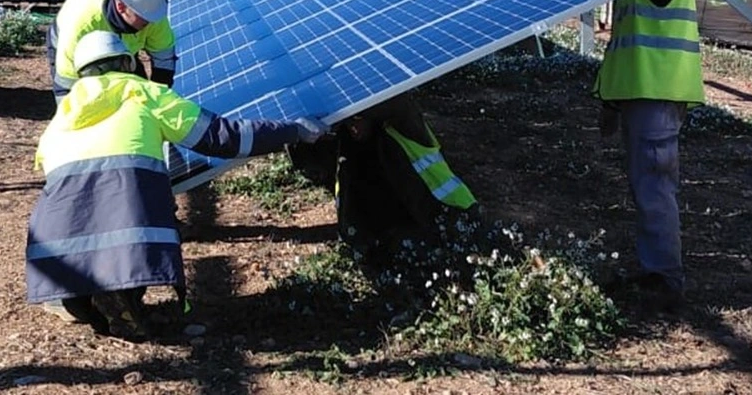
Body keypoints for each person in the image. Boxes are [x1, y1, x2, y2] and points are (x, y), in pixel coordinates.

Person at [26, 31, 328, 340]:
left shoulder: (61, 117)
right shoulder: (144, 93)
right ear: (128, 62)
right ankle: (122, 294)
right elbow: (221, 136)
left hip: (58, 233)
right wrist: (291, 131)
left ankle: (85, 302)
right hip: (125, 214)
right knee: (139, 208)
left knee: (93, 219)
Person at [592, 0, 705, 310]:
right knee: (646, 186)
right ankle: (653, 270)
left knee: (655, 187)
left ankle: (664, 281)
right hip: (638, 93)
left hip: (658, 92)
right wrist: (609, 100)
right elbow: (625, 42)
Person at [333, 93, 479, 266]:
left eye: (357, 119)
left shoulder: (407, 125)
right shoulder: (350, 148)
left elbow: (397, 102)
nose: (353, 128)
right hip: (401, 226)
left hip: (450, 211)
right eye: (348, 123)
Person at [47, 0, 177, 103]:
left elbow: (164, 63)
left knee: (135, 95)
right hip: (77, 49)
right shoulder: (81, 23)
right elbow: (67, 87)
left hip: (123, 49)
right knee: (90, 99)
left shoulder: (152, 16)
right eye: (144, 18)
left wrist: (158, 102)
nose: (150, 23)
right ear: (121, 7)